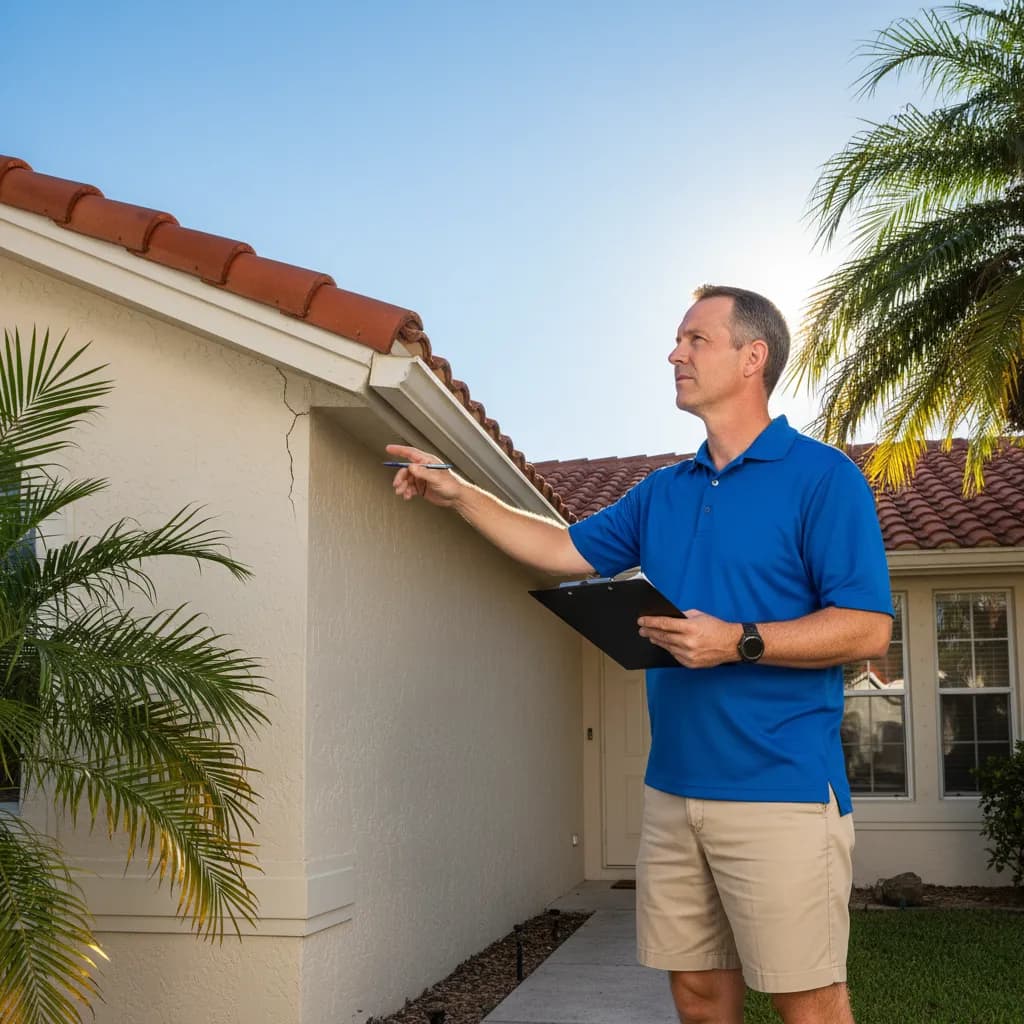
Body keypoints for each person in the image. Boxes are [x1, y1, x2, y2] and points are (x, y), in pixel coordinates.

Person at [387, 285, 893, 1024]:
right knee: (694, 993)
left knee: (808, 1002)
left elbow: (867, 629)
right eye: (677, 340)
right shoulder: (662, 492)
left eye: (696, 339)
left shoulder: (823, 479)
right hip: (673, 792)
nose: (674, 353)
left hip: (781, 791)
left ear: (753, 358)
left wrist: (738, 640)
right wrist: (461, 494)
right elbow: (561, 547)